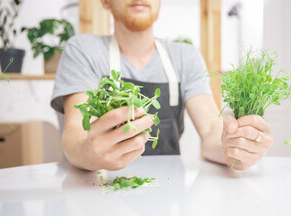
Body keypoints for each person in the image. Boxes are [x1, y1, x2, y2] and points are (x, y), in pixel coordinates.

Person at [50, 0, 273, 171]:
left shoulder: (186, 56)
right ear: (105, 1)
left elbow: (211, 131)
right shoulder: (83, 50)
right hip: (98, 193)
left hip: (170, 195)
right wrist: (89, 152)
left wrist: (233, 146)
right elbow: (74, 135)